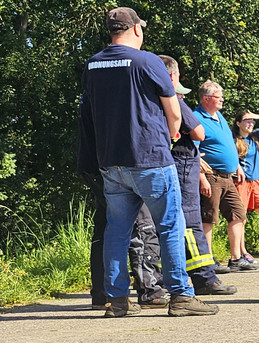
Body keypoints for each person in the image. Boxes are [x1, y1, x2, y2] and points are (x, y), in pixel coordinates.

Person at [81, 6, 216, 316]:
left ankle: (118, 301)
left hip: (111, 162)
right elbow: (174, 113)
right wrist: (168, 137)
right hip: (150, 157)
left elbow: (88, 113)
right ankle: (181, 296)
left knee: (117, 231)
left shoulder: (93, 64)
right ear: (136, 29)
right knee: (170, 226)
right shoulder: (148, 61)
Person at [80, 93, 169, 310]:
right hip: (120, 165)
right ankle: (150, 290)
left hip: (94, 164)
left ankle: (102, 294)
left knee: (106, 229)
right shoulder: (122, 95)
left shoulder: (92, 93)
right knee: (142, 226)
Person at [159, 55, 236, 296]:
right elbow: (199, 133)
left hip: (151, 165)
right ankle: (204, 279)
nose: (182, 96)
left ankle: (154, 282)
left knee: (152, 224)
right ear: (171, 77)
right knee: (190, 222)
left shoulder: (139, 99)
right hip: (182, 164)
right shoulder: (173, 99)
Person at [194, 80, 257, 272]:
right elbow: (194, 151)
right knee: (209, 217)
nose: (222, 99)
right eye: (218, 97)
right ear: (206, 99)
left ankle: (236, 258)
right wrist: (201, 178)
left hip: (228, 177)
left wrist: (236, 165)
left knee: (238, 214)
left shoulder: (219, 116)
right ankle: (208, 260)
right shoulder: (197, 118)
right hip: (211, 176)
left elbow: (228, 143)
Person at [233, 109, 259, 262]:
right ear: (238, 123)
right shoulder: (233, 140)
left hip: (257, 182)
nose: (250, 123)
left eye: (252, 121)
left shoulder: (255, 136)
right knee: (240, 220)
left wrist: (257, 116)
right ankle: (243, 253)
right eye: (246, 120)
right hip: (241, 183)